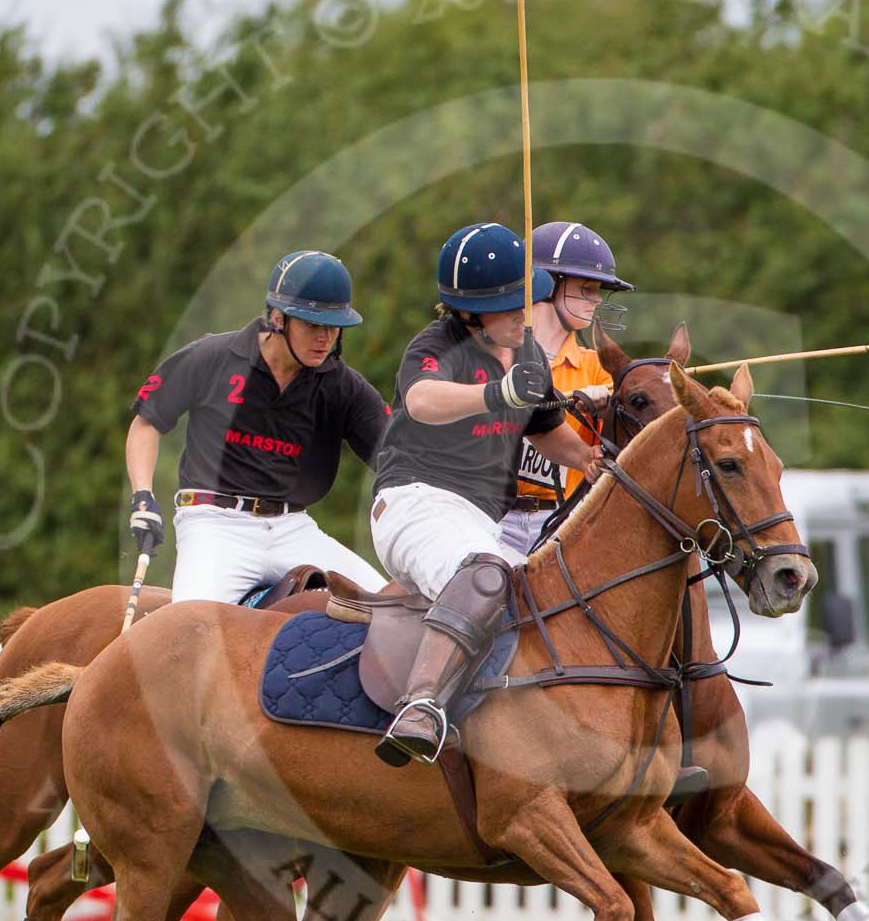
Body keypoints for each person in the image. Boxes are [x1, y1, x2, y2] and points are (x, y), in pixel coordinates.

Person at [369, 221, 598, 765]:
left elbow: (551, 434)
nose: (525, 317)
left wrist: (599, 462)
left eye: (527, 303)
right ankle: (420, 705)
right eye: (510, 307)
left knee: (550, 598)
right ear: (470, 313)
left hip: (477, 518)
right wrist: (498, 393)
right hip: (413, 501)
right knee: (488, 576)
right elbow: (421, 400)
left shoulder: (529, 357)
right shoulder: (436, 347)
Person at [125, 249, 388, 602]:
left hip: (294, 529)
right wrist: (143, 498)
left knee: (392, 607)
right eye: (313, 325)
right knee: (191, 632)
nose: (325, 338)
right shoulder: (212, 357)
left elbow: (399, 456)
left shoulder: (342, 385)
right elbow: (146, 424)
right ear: (278, 319)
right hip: (214, 523)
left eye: (334, 325)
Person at [497, 221, 635, 556]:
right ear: (546, 285)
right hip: (490, 518)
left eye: (598, 291)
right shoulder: (494, 355)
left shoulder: (600, 370)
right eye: (587, 288)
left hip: (561, 521)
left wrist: (612, 401)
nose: (597, 300)